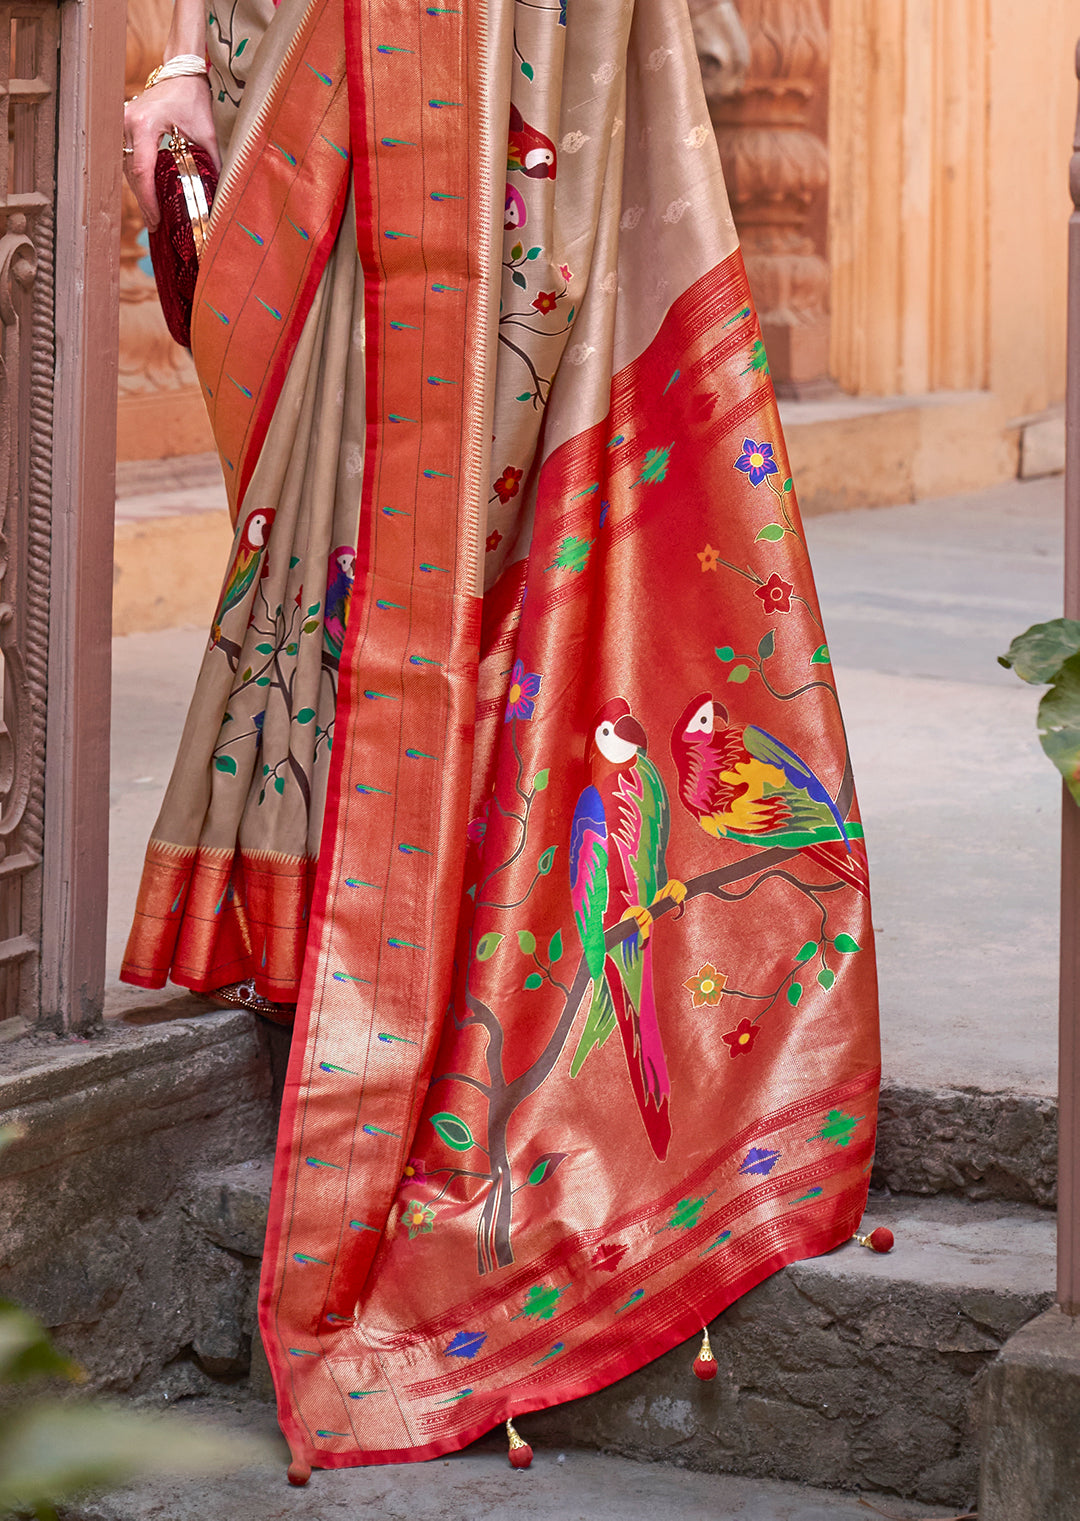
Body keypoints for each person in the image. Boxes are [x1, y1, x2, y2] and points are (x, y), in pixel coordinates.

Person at [123, 0, 879, 1477]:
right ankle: (344, 940)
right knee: (338, 446)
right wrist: (178, 61)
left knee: (502, 452)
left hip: (536, 65)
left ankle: (447, 942)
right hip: (308, 58)